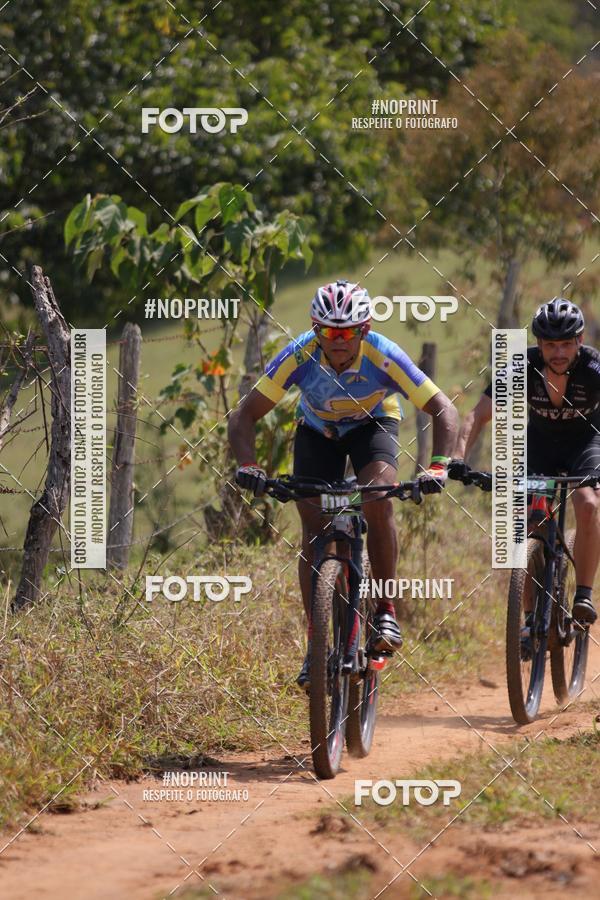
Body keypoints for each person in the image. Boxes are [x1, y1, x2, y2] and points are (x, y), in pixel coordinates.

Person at [228, 279, 459, 689]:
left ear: (364, 329)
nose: (338, 341)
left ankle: (385, 608)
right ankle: (316, 645)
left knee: (378, 498)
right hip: (317, 431)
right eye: (328, 331)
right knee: (312, 525)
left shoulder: (383, 355)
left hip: (373, 426)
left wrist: (438, 466)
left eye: (348, 332)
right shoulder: (300, 353)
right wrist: (249, 465)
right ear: (315, 329)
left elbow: (442, 408)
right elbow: (243, 416)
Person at [451, 297, 600, 627]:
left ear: (579, 341)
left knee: (588, 503)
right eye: (550, 345)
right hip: (540, 444)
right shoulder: (522, 366)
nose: (558, 353)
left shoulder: (594, 368)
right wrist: (458, 458)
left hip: (586, 443)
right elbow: (477, 415)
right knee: (526, 520)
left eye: (565, 344)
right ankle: (531, 616)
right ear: (538, 345)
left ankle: (584, 596)